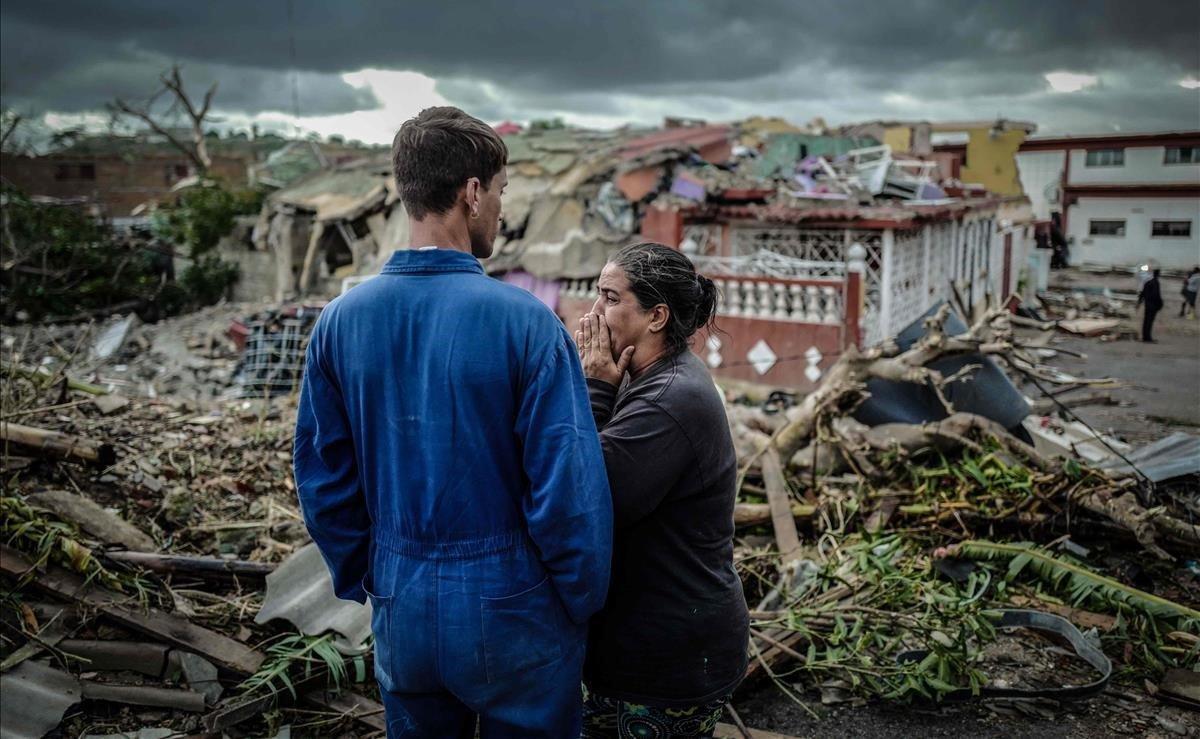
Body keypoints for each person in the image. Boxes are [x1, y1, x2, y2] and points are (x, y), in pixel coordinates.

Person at [294, 107, 612, 737]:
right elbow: (568, 493)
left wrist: (374, 574)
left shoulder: (340, 322)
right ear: (471, 193)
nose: (501, 211)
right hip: (513, 605)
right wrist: (580, 602)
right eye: (499, 194)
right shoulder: (525, 324)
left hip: (400, 601)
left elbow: (323, 479)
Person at [574, 242, 749, 738]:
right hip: (641, 645)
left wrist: (595, 390)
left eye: (610, 297)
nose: (594, 312)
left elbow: (590, 496)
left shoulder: (672, 398)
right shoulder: (643, 378)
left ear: (656, 316)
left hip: (668, 657)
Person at [1138, 267, 1164, 342]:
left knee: (1146, 321)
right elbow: (1156, 295)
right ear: (1158, 274)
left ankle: (1145, 337)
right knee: (1149, 322)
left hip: (1147, 305)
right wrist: (1160, 304)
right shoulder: (1156, 283)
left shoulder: (1148, 282)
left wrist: (1139, 303)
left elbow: (1142, 293)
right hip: (1153, 305)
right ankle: (1148, 338)